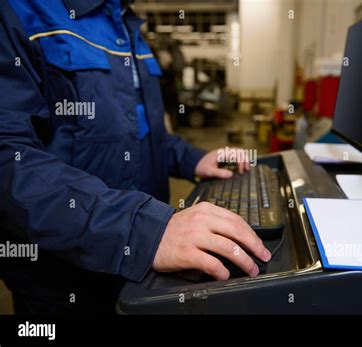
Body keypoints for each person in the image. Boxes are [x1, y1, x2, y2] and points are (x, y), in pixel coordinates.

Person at [0, 0, 271, 314]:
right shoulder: (19, 11)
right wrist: (139, 228)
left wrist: (192, 158)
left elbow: (142, 131)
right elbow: (9, 158)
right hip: (64, 282)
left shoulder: (129, 27)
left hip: (140, 269)